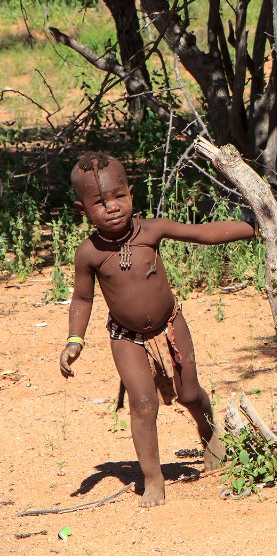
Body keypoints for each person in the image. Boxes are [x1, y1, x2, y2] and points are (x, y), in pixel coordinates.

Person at [61, 151, 264, 507]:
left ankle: (209, 432)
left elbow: (203, 233)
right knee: (142, 404)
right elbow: (81, 298)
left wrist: (256, 228)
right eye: (100, 202)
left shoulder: (152, 230)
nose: (112, 207)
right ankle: (152, 479)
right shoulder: (89, 253)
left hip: (171, 326)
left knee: (189, 394)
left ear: (131, 193)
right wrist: (74, 340)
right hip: (126, 337)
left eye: (118, 196)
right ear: (82, 211)